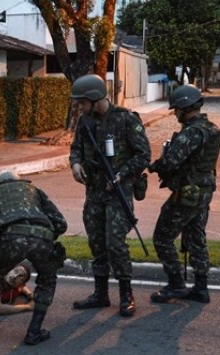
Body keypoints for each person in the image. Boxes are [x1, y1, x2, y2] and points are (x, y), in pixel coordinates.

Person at [68, 74, 151, 317]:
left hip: (118, 193)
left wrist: (121, 174)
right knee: (97, 243)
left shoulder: (125, 119)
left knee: (115, 244)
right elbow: (75, 149)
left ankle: (126, 295)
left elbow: (143, 154)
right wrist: (75, 165)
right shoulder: (85, 122)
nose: (79, 107)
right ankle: (100, 293)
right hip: (94, 192)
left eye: (82, 102)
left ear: (94, 98)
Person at [0, 171, 67, 345]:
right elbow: (61, 224)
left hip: (11, 239)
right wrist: (46, 237)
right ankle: (34, 332)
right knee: (47, 281)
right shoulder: (34, 190)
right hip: (42, 239)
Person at [148, 84, 220, 304]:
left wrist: (155, 166)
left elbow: (171, 161)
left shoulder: (191, 133)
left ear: (184, 107)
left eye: (176, 109)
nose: (175, 114)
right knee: (196, 238)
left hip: (188, 192)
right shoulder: (211, 129)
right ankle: (200, 288)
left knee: (162, 237)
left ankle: (176, 284)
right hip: (204, 191)